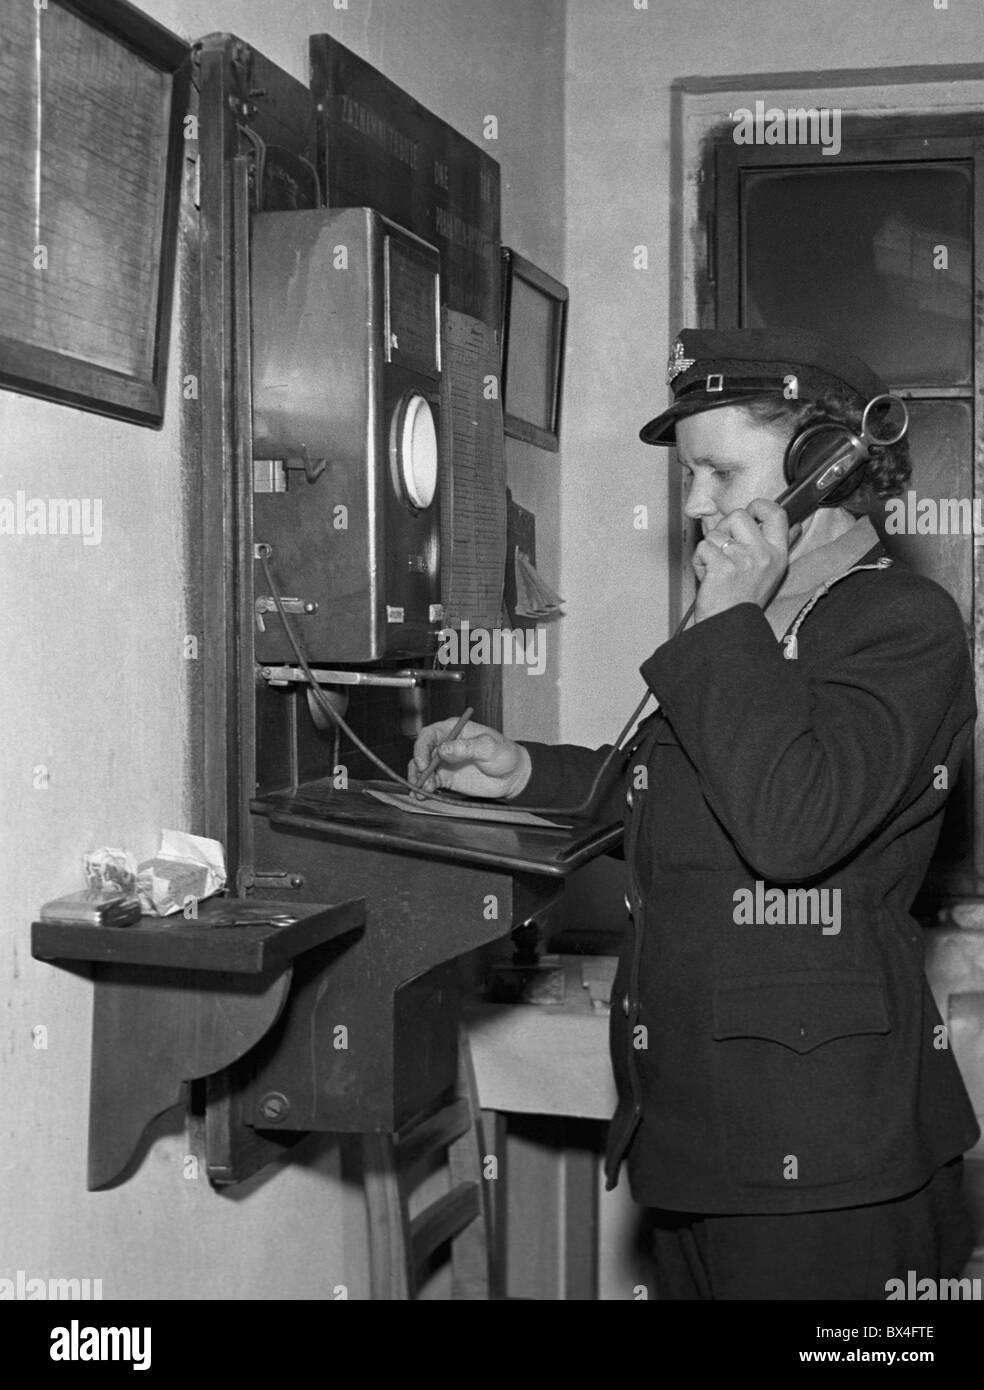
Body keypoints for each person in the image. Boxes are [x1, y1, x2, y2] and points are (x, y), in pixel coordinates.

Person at [409, 328, 981, 1300]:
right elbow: (671, 795)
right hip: (701, 1139)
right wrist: (523, 772)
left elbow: (791, 826)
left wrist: (726, 622)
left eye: (718, 472)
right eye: (686, 477)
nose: (691, 505)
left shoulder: (901, 623)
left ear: (822, 467)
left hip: (826, 1170)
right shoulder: (755, 624)